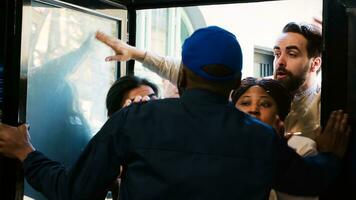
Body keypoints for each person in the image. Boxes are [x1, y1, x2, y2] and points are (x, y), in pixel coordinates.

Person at [0, 26, 350, 200]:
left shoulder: (135, 120)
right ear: (234, 82)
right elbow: (310, 180)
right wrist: (332, 155)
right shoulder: (260, 137)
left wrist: (25, 152)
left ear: (183, 76)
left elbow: (75, 190)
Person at [96, 22, 322, 141]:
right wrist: (138, 54)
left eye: (291, 54)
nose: (280, 61)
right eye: (276, 53)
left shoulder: (329, 104)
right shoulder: (257, 88)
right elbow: (197, 73)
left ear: (315, 64)